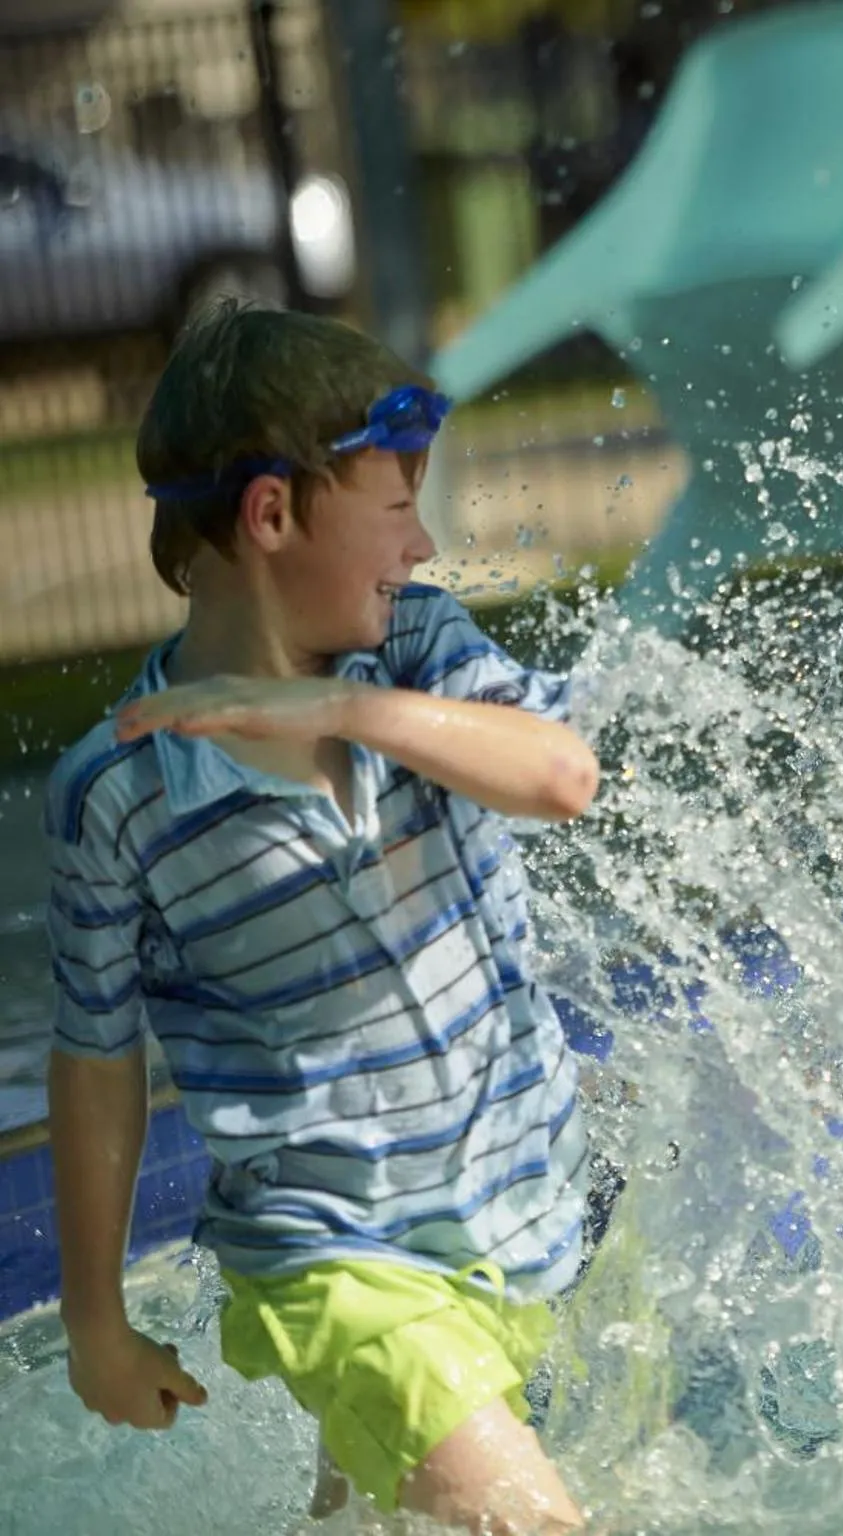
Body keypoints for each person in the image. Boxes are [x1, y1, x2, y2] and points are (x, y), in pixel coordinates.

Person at [43, 301, 600, 1532]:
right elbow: (93, 1051)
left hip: (534, 1202)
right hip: (339, 1261)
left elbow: (561, 775)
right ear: (272, 514)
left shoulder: (414, 653)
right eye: (398, 508)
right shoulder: (121, 792)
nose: (425, 541)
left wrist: (345, 716)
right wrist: (93, 1318)